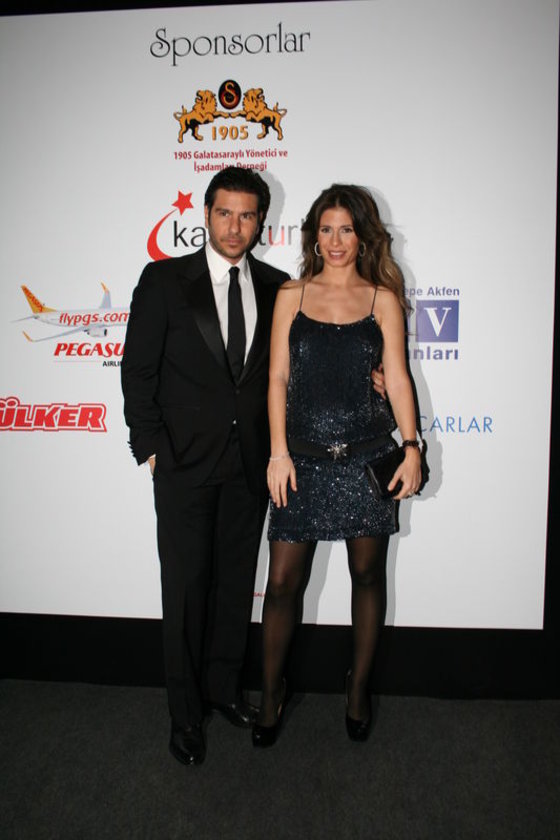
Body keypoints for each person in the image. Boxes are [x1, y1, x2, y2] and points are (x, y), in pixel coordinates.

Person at [121, 167, 290, 766]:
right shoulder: (165, 280)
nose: (234, 227)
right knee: (186, 591)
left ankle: (223, 689)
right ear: (206, 215)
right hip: (184, 465)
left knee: (234, 587)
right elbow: (138, 369)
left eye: (246, 215)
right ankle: (185, 715)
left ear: (260, 221)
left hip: (250, 465)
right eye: (224, 213)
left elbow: (287, 372)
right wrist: (150, 446)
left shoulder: (278, 287)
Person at [252, 184, 422, 748]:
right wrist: (278, 452)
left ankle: (357, 689)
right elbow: (277, 378)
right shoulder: (291, 295)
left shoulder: (381, 300)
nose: (336, 240)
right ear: (313, 237)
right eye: (326, 229)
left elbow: (398, 378)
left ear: (362, 236)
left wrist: (413, 446)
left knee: (368, 576)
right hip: (300, 462)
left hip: (366, 461)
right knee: (281, 584)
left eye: (346, 229)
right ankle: (271, 693)